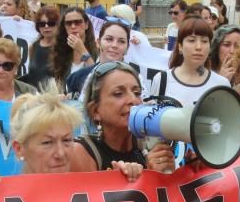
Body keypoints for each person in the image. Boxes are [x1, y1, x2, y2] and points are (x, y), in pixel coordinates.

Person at [10, 91, 142, 181]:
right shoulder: (1, 201)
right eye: (47, 143)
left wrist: (125, 184)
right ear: (19, 148)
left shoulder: (88, 193)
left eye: (67, 140)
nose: (60, 153)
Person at [71, 61, 175, 173]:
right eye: (118, 93)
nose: (133, 100)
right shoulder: (82, 152)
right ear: (95, 111)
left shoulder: (149, 148)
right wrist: (147, 176)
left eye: (137, 93)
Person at [149, 17, 229, 106]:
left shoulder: (221, 84)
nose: (199, 47)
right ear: (180, 46)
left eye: (204, 41)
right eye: (191, 40)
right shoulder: (161, 80)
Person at [66, 18, 130, 99]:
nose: (114, 45)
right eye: (109, 39)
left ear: (127, 47)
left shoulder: (136, 79)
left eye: (121, 41)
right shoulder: (76, 78)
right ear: (98, 42)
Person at [50, 7, 97, 88]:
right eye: (68, 23)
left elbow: (96, 79)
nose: (73, 26)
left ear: (86, 25)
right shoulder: (60, 53)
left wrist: (82, 50)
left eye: (77, 22)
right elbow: (58, 83)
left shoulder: (98, 52)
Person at [20, 6, 58, 89]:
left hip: (54, 97)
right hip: (34, 97)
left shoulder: (63, 47)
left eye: (51, 23)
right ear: (38, 26)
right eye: (42, 24)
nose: (46, 27)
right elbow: (33, 74)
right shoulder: (33, 47)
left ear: (57, 25)